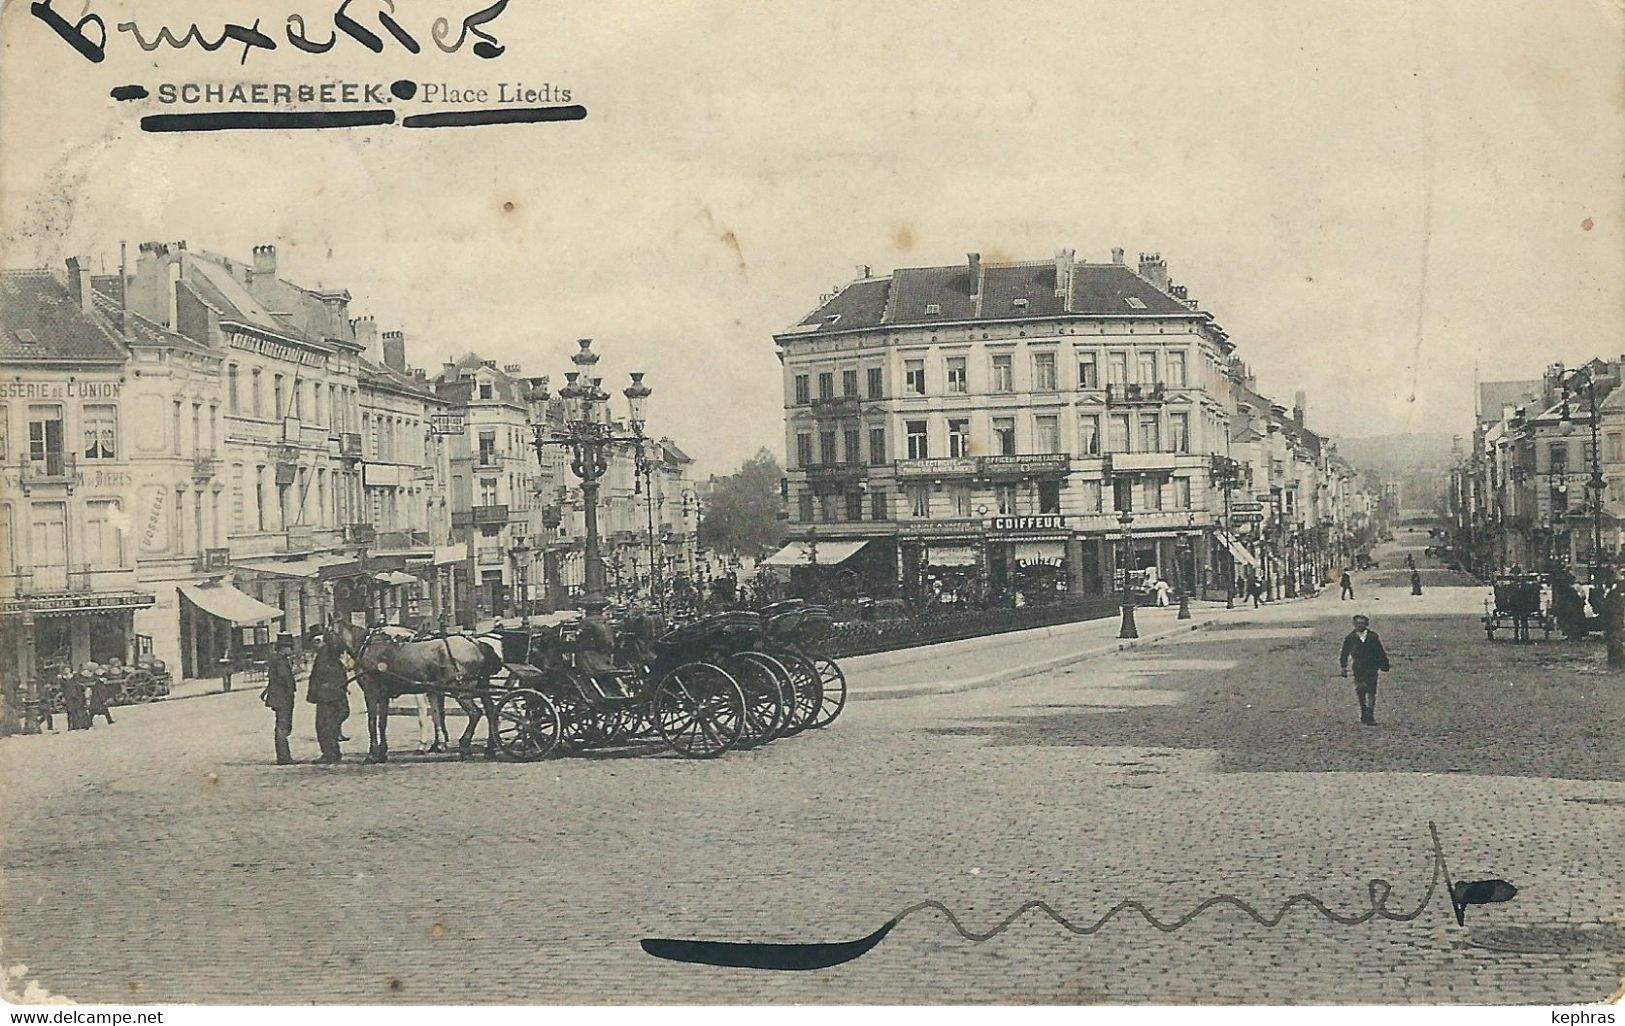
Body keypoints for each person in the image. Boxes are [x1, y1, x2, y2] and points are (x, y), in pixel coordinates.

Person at [1340, 614, 1392, 725]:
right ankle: (1363, 710)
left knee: (1372, 691)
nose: (1360, 626)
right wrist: (1343, 666)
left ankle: (1370, 715)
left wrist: (1385, 664)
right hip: (1358, 667)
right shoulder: (1351, 637)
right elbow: (1344, 652)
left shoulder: (1373, 636)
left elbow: (1380, 651)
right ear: (1354, 624)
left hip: (1372, 667)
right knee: (1360, 689)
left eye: (1363, 623)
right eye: (1358, 623)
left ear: (1367, 624)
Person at [306, 635, 350, 765]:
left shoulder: (323, 656)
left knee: (324, 726)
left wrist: (313, 693)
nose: (314, 646)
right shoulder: (333, 654)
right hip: (335, 695)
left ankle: (329, 754)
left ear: (319, 641)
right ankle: (334, 752)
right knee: (331, 725)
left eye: (315, 643)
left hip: (326, 697)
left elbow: (318, 675)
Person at [262, 633, 298, 765]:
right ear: (284, 648)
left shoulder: (276, 659)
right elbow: (284, 678)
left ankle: (283, 756)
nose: (292, 650)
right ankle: (283, 757)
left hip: (278, 696)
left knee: (282, 725)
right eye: (290, 647)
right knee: (283, 726)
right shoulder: (281, 661)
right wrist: (291, 686)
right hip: (283, 697)